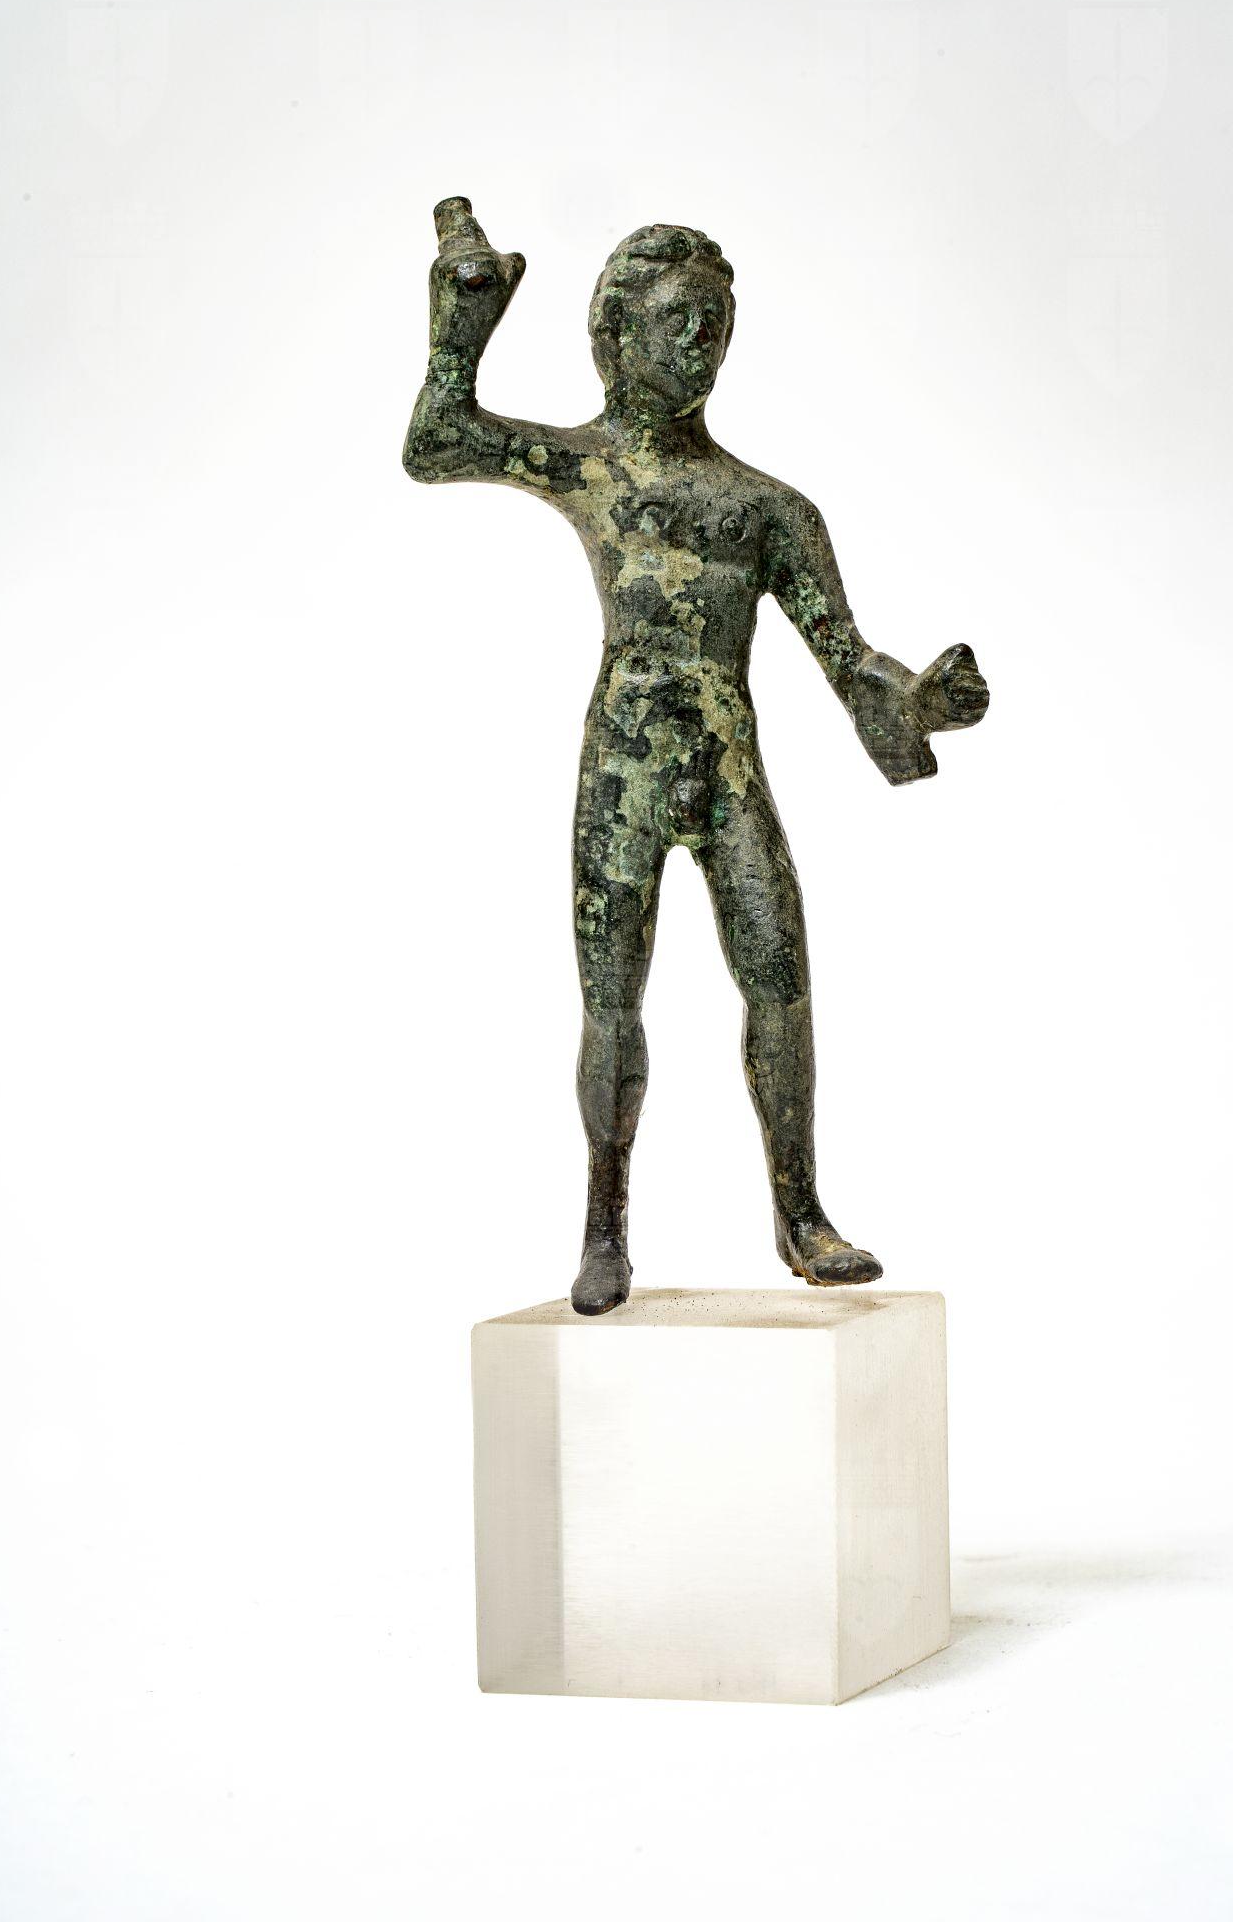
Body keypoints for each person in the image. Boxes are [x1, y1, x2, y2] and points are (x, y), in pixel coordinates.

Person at [404, 199, 989, 1314]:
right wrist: (458, 336)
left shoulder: (767, 511)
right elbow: (435, 443)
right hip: (622, 767)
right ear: (613, 335)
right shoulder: (588, 466)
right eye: (678, 320)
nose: (699, 341)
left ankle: (800, 1213)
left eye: (715, 322)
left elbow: (850, 665)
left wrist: (918, 702)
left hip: (726, 772)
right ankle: (603, 1226)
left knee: (780, 981)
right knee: (612, 1003)